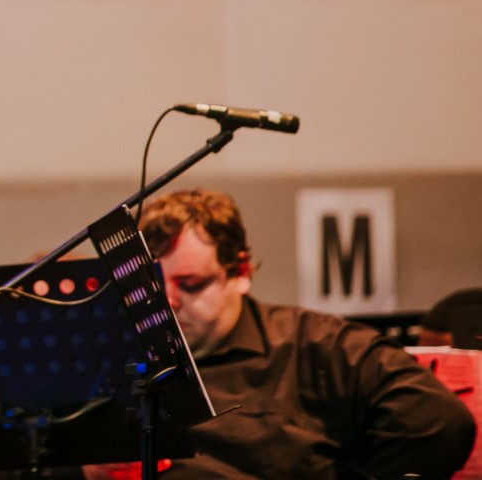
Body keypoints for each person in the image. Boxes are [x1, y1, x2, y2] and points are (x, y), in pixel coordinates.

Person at [116, 188, 476, 479]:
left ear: (241, 271)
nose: (169, 302)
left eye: (191, 284)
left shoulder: (317, 345)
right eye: (154, 287)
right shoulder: (117, 355)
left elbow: (440, 422)